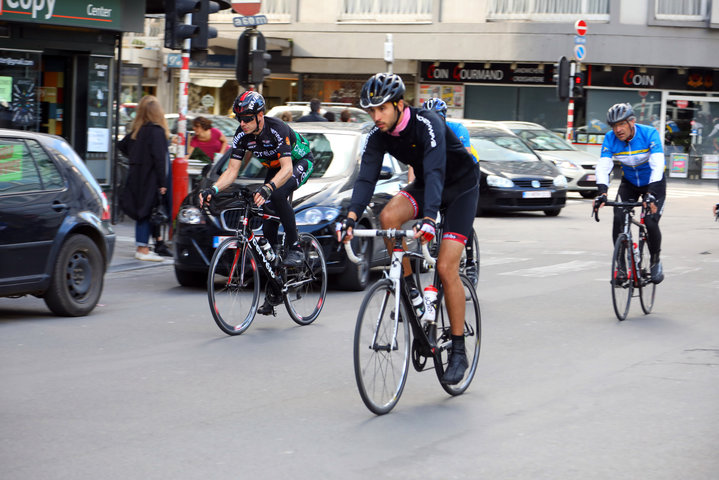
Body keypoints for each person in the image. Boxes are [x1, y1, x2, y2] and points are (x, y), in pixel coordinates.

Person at [337, 73, 479, 385]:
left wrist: (429, 218)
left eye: (381, 109)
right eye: (371, 112)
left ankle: (458, 349)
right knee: (388, 217)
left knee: (445, 267)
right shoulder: (378, 135)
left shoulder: (428, 123)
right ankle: (410, 291)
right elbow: (366, 179)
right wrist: (349, 218)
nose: (376, 117)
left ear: (400, 105)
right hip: (428, 184)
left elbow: (437, 169)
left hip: (460, 188)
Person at [199, 91, 314, 315]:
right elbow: (232, 171)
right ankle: (275, 289)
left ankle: (296, 247)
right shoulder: (242, 135)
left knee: (277, 195)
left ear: (260, 115)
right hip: (275, 167)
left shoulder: (277, 129)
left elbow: (287, 169)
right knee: (266, 226)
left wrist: (269, 187)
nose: (243, 123)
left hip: (298, 163)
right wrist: (213, 188)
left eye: (248, 118)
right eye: (239, 119)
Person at [594, 103, 666, 284]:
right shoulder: (610, 139)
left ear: (632, 122)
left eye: (621, 124)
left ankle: (655, 261)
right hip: (630, 183)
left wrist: (651, 193)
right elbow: (603, 166)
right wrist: (602, 192)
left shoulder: (649, 133)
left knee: (649, 221)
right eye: (614, 126)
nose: (617, 130)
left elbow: (658, 165)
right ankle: (621, 266)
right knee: (618, 217)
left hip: (653, 183)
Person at [421, 97, 479, 286]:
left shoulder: (458, 129)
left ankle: (470, 262)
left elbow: (465, 156)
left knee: (463, 218)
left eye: (437, 117)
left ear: (444, 117)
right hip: (441, 173)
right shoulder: (425, 132)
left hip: (465, 172)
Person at [118, 95, 170, 262]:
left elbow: (121, 146)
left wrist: (135, 158)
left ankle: (142, 246)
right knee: (147, 212)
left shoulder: (136, 132)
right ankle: (143, 249)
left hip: (136, 176)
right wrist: (163, 183)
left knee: (142, 211)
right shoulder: (157, 132)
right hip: (150, 177)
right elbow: (159, 159)